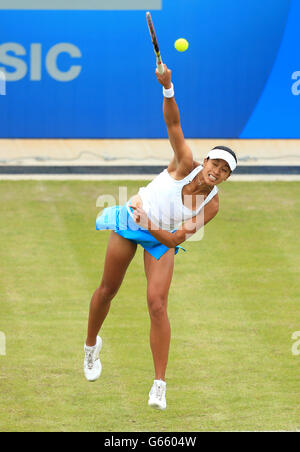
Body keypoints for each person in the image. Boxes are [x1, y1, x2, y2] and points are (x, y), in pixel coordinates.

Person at [83, 64, 238, 411]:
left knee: (157, 305)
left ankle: (159, 385)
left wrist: (148, 221)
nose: (217, 171)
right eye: (216, 164)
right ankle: (91, 347)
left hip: (157, 234)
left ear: (226, 178)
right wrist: (168, 88)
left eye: (225, 171)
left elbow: (172, 240)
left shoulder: (212, 206)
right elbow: (173, 125)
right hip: (132, 222)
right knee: (108, 290)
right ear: (207, 160)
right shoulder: (185, 163)